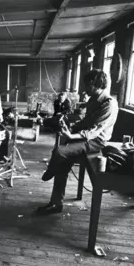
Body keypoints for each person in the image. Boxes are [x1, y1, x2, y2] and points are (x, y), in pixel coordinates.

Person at [38, 69, 118, 214]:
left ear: (96, 85)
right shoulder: (94, 99)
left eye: (87, 85)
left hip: (96, 142)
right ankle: (56, 204)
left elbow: (94, 131)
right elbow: (85, 122)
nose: (84, 89)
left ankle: (49, 172)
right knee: (62, 162)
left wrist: (71, 136)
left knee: (59, 151)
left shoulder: (109, 104)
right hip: (85, 139)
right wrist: (71, 127)